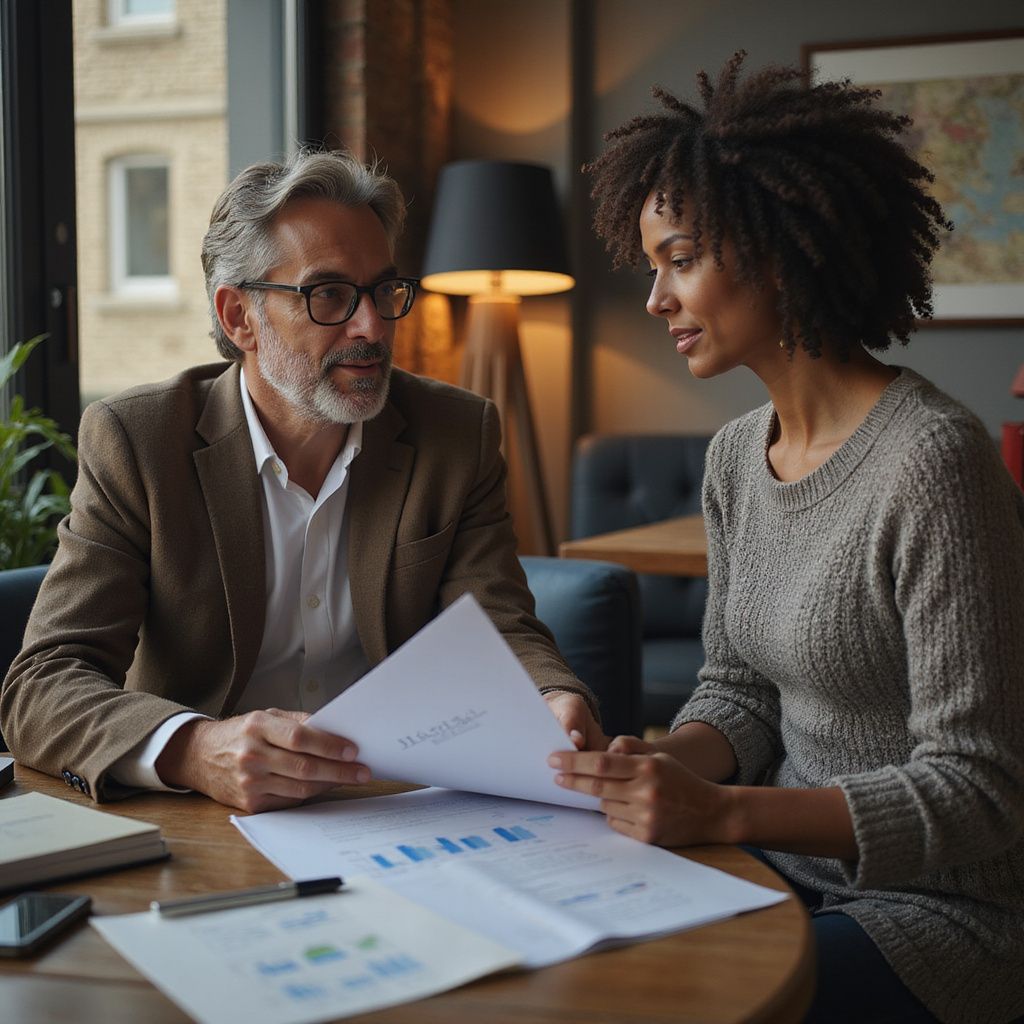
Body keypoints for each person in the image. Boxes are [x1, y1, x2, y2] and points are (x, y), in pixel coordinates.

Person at [549, 52, 1024, 1024]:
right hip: (775, 871)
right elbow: (738, 692)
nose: (655, 300)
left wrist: (723, 813)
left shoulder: (934, 460)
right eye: (651, 269)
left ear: (776, 248)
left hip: (936, 912)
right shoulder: (732, 458)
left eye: (678, 260)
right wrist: (651, 765)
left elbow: (977, 789)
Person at [1, 148, 599, 812]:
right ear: (239, 317)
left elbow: (499, 626)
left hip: (396, 806)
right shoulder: (138, 442)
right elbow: (43, 685)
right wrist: (195, 749)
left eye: (382, 291)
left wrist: (551, 697)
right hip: (203, 817)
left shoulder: (455, 434)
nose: (371, 327)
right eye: (330, 295)